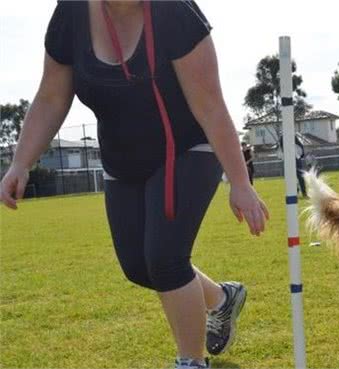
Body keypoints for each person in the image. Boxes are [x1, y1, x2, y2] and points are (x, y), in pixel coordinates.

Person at [0, 2, 269, 368]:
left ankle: (191, 361)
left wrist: (240, 182)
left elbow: (210, 105)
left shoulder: (174, 12)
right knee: (138, 267)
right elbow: (51, 95)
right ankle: (222, 299)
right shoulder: (72, 13)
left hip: (189, 148)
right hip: (122, 159)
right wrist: (21, 162)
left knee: (165, 259)